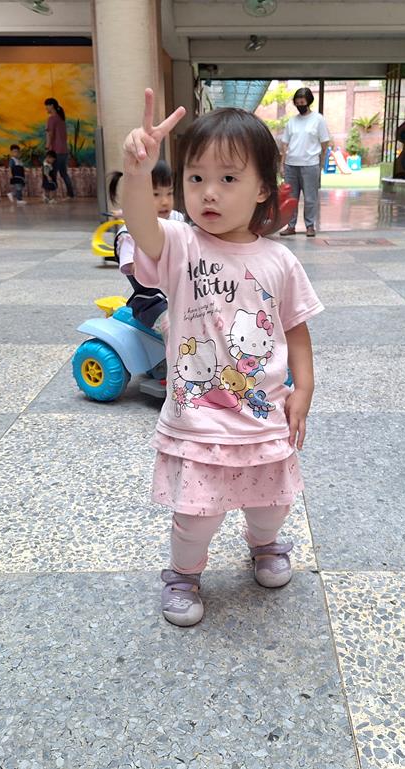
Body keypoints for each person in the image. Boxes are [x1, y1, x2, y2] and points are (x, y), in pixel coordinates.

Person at [122, 89, 323, 628]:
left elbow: (296, 329)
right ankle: (183, 575)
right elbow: (140, 225)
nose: (209, 192)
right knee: (196, 515)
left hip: (263, 415)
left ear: (263, 189)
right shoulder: (180, 246)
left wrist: (304, 389)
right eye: (196, 178)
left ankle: (265, 544)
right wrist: (136, 175)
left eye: (228, 178)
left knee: (272, 502)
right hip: (200, 418)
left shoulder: (279, 260)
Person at [108, 160, 183, 330]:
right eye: (155, 194)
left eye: (169, 193)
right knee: (170, 324)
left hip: (180, 289)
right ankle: (175, 345)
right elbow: (133, 267)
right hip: (152, 298)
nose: (165, 201)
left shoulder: (176, 219)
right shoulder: (130, 234)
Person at [278, 87, 329, 238]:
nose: (300, 105)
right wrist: (282, 164)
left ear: (309, 102)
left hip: (310, 165)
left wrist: (320, 163)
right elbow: (285, 144)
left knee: (310, 198)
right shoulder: (292, 121)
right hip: (291, 165)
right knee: (291, 198)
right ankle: (290, 226)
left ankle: (310, 226)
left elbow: (324, 143)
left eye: (302, 102)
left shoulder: (318, 119)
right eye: (297, 103)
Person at [44, 97, 75, 198]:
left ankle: (51, 196)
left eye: (47, 106)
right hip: (64, 151)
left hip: (55, 151)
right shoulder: (61, 118)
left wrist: (47, 146)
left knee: (52, 174)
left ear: (52, 106)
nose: (46, 108)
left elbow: (50, 135)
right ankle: (71, 194)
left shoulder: (51, 119)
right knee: (64, 173)